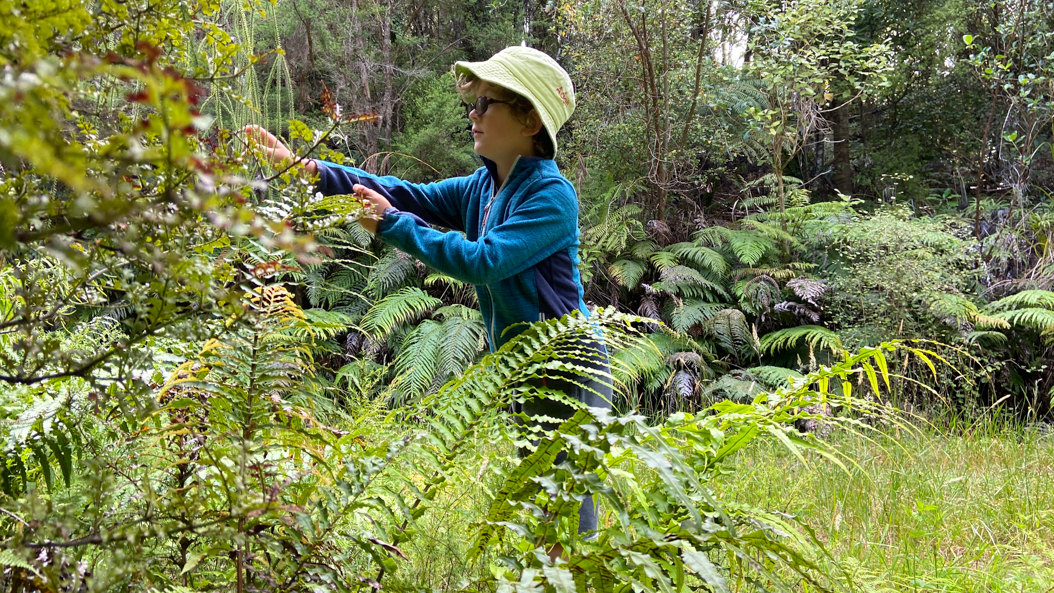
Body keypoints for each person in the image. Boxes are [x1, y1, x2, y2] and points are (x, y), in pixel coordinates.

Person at [245, 46, 611, 542]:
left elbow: (482, 261)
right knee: (541, 500)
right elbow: (405, 193)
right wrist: (311, 170)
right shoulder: (483, 187)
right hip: (528, 366)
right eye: (473, 103)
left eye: (485, 104)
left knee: (568, 513)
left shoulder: (551, 195)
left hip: (569, 366)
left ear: (528, 120)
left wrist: (390, 224)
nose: (472, 114)